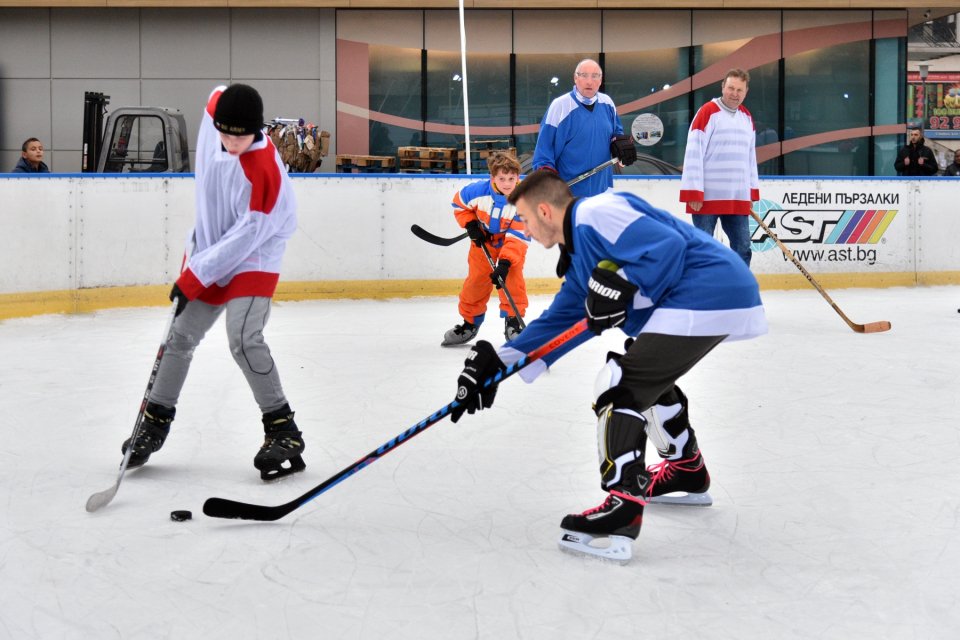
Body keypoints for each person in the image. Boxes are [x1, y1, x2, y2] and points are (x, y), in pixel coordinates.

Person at [448, 170, 767, 564]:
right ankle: (687, 469)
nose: (526, 231)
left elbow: (666, 246)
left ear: (545, 211)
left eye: (526, 220)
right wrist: (496, 364)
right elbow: (560, 321)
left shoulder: (598, 211)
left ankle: (623, 508)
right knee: (645, 377)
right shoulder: (579, 255)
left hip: (709, 289)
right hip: (709, 292)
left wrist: (625, 281)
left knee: (618, 385)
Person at [119, 84, 305, 482]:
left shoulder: (264, 170)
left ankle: (283, 429)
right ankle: (153, 423)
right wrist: (198, 263)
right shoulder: (214, 117)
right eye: (225, 133)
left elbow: (247, 234)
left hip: (256, 250)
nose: (231, 142)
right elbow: (218, 93)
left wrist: (194, 277)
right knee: (178, 335)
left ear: (257, 130)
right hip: (211, 243)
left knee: (242, 337)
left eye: (240, 135)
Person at [443, 152, 529, 346]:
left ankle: (513, 323)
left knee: (512, 281)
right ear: (492, 178)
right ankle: (470, 323)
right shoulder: (475, 191)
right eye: (502, 178)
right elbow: (458, 203)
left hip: (511, 244)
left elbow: (519, 236)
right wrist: (471, 225)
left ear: (518, 177)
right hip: (482, 243)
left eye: (511, 178)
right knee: (475, 283)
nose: (507, 183)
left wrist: (505, 263)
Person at [680, 68, 759, 267]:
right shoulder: (708, 111)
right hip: (707, 196)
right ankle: (702, 292)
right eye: (731, 88)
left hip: (737, 196)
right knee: (703, 249)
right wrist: (694, 191)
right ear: (722, 86)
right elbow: (693, 151)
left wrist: (751, 193)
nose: (734, 93)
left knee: (742, 248)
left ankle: (738, 292)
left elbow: (750, 158)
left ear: (746, 91)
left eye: (739, 90)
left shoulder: (747, 117)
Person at [532, 58, 637, 199]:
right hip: (568, 194)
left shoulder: (608, 103)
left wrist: (618, 143)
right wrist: (546, 178)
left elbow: (616, 132)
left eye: (595, 76)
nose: (589, 81)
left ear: (600, 80)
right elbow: (544, 150)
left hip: (603, 190)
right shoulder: (560, 106)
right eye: (584, 75)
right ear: (576, 78)